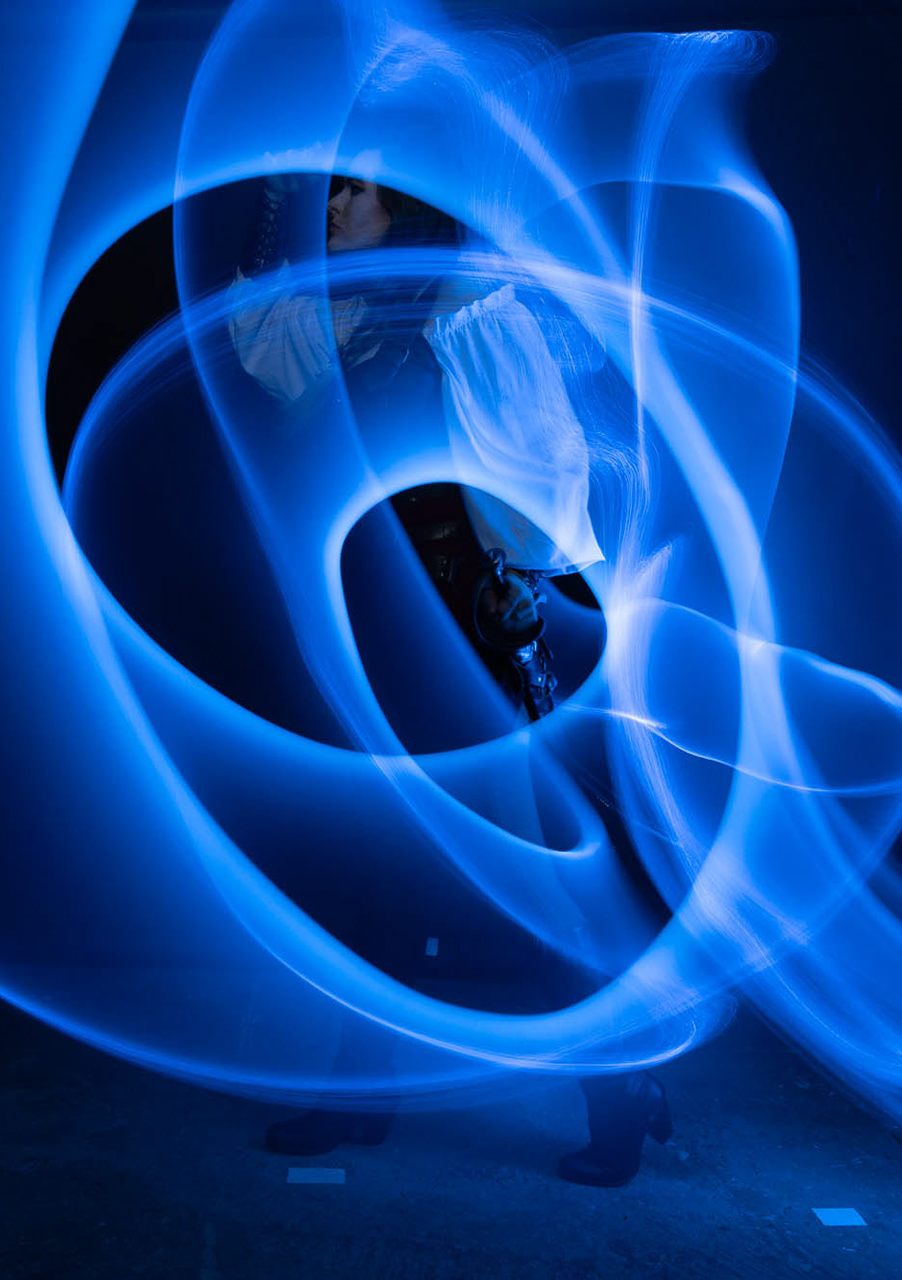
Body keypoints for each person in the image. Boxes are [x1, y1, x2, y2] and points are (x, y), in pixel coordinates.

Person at [226, 173, 671, 1187]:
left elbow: (548, 475)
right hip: (381, 637)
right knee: (374, 864)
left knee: (525, 879)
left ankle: (621, 1081)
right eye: (330, 191)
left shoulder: (473, 305)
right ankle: (360, 1087)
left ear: (413, 205)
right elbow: (257, 337)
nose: (336, 209)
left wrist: (512, 587)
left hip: (471, 643)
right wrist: (281, 195)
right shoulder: (346, 315)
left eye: (356, 194)